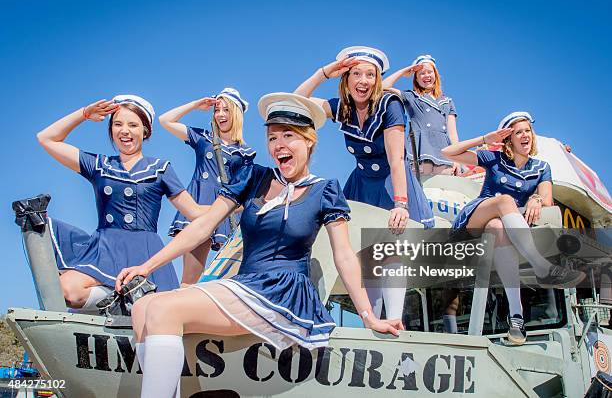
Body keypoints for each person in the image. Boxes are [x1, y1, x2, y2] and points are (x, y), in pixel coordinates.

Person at [115, 93, 404, 398]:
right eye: (272, 137)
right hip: (246, 283)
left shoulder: (324, 190)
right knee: (143, 307)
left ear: (309, 141)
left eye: (289, 136)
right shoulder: (253, 177)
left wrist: (369, 315)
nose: (279, 144)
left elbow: (343, 255)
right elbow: (202, 226)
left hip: (283, 291)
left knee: (161, 307)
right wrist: (146, 267)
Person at [294, 46, 434, 321]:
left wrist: (401, 204)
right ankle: (375, 320)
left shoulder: (389, 105)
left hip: (391, 183)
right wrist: (324, 72)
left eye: (370, 74)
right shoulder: (341, 108)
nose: (363, 81)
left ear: (377, 79)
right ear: (346, 79)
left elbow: (397, 160)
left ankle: (395, 320)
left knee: (392, 250)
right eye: (356, 73)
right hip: (361, 185)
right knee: (368, 257)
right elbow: (296, 101)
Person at [36, 95, 206, 311]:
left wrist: (233, 203)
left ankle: (131, 299)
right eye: (118, 124)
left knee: (161, 311)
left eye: (133, 125)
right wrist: (84, 114)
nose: (124, 130)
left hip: (146, 251)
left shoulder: (160, 169)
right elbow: (46, 138)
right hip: (105, 250)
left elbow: (194, 212)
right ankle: (120, 299)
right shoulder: (98, 165)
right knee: (68, 290)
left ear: (146, 131)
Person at [442, 111, 585, 344]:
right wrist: (485, 139)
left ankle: (516, 319)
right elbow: (447, 153)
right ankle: (541, 266)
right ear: (508, 139)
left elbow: (547, 199)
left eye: (527, 130)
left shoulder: (541, 167)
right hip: (471, 225)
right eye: (518, 132)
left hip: (499, 228)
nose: (525, 135)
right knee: (505, 202)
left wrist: (536, 199)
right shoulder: (495, 159)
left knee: (498, 227)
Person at [160, 88, 255, 285]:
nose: (220, 114)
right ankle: (184, 313)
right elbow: (165, 120)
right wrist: (196, 104)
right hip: (198, 209)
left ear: (236, 113)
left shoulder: (245, 153)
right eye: (217, 110)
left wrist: (229, 210)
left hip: (225, 213)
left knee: (228, 277)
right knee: (190, 278)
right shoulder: (204, 138)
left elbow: (247, 195)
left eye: (226, 110)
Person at [383, 54, 460, 175]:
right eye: (421, 73)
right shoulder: (411, 96)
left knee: (445, 191)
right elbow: (383, 87)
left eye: (429, 72)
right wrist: (404, 72)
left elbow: (453, 133)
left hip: (445, 154)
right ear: (416, 79)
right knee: (421, 191)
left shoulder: (447, 101)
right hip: (421, 153)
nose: (426, 76)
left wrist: (458, 158)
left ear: (435, 74)